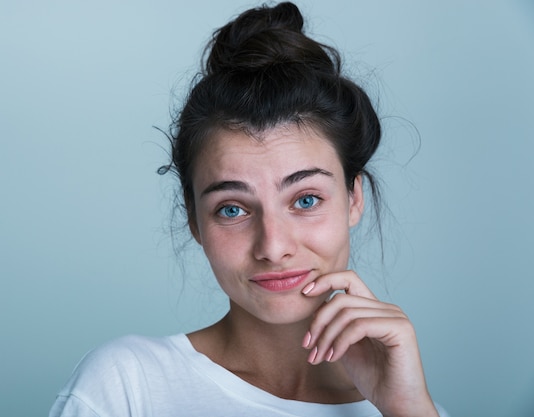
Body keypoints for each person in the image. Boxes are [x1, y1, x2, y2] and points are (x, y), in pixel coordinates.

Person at [49, 2, 448, 416]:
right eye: (233, 209)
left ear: (353, 199)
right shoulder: (126, 387)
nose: (273, 248)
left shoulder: (409, 406)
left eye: (305, 200)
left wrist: (407, 408)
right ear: (194, 221)